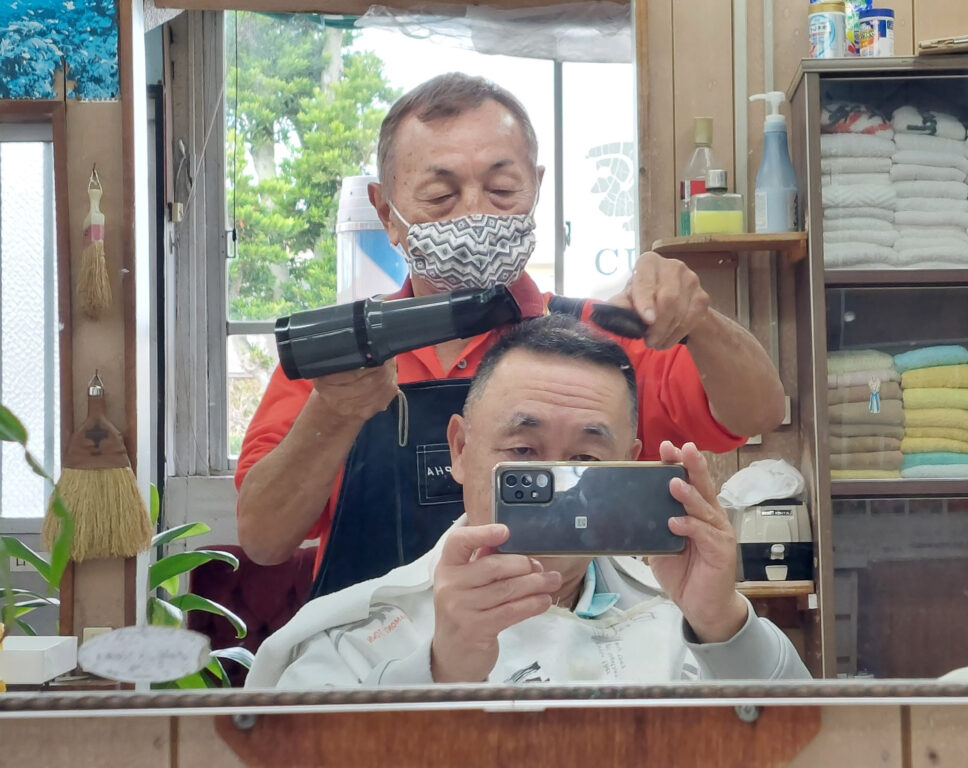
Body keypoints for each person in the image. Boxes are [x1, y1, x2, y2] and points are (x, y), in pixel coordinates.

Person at [235, 72, 786, 598]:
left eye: (501, 189)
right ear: (387, 211)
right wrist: (334, 412)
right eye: (440, 195)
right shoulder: (340, 357)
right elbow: (264, 539)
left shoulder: (597, 342)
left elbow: (758, 412)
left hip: (565, 645)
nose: (475, 213)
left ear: (536, 187)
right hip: (374, 654)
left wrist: (699, 322)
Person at [245, 316, 809, 688]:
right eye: (523, 452)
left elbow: (810, 743)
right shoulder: (356, 638)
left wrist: (722, 622)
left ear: (628, 463)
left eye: (585, 459)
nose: (555, 483)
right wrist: (439, 672)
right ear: (460, 449)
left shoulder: (681, 616)